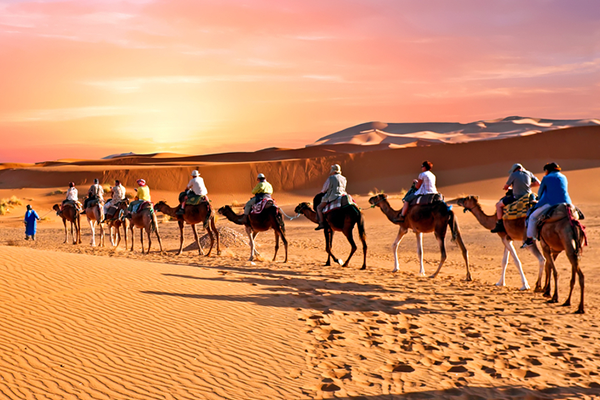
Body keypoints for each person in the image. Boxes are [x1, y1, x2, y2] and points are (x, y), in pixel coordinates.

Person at [522, 162, 572, 248]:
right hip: (567, 203)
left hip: (551, 203)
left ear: (548, 170)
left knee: (532, 217)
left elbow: (540, 192)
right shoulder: (564, 177)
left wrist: (538, 199)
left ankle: (530, 239)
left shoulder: (546, 178)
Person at [491, 163, 540, 233]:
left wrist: (509, 188)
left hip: (517, 197)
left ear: (514, 170)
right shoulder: (529, 173)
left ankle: (500, 223)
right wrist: (528, 186)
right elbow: (538, 183)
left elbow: (506, 187)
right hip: (528, 196)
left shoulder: (513, 175)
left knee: (498, 205)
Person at [315, 164, 347, 230]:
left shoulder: (331, 178)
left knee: (319, 208)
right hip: (342, 195)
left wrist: (322, 192)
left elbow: (324, 189)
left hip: (332, 196)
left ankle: (321, 223)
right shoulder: (344, 178)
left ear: (333, 170)